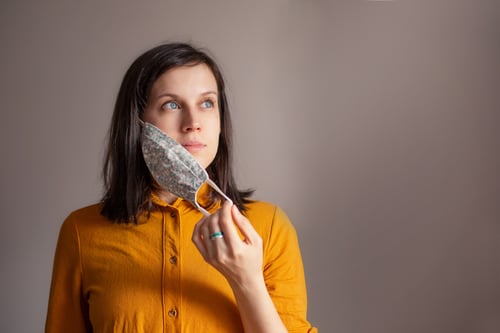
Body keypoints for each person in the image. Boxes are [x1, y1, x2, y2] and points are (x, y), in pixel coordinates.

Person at [45, 42, 317, 333]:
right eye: (171, 105)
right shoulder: (80, 231)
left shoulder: (269, 227)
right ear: (137, 123)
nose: (193, 123)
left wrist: (245, 279)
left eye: (207, 103)